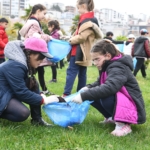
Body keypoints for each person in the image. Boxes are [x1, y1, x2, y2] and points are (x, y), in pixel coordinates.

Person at [72, 39, 146, 136]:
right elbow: (99, 82)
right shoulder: (107, 65)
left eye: (97, 59)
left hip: (133, 106)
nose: (95, 63)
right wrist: (87, 88)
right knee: (92, 93)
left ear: (107, 56)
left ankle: (123, 124)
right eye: (93, 60)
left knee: (105, 95)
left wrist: (83, 96)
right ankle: (111, 117)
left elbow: (110, 87)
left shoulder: (118, 67)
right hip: (124, 102)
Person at [0, 37, 63, 125]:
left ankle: (37, 120)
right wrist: (44, 100)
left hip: (7, 92)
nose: (41, 61)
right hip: (3, 93)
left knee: (33, 83)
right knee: (22, 113)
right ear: (30, 53)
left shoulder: (23, 64)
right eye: (40, 57)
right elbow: (22, 92)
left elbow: (30, 87)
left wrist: (41, 95)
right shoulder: (15, 66)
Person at [62, 0, 103, 97]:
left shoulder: (88, 21)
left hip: (78, 52)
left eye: (78, 7)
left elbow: (81, 37)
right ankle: (80, 95)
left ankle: (66, 94)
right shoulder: (90, 19)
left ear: (83, 6)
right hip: (85, 52)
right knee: (82, 73)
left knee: (71, 72)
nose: (78, 10)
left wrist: (70, 40)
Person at [19, 4, 52, 94]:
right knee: (35, 72)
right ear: (38, 11)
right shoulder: (34, 22)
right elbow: (33, 35)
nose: (44, 16)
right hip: (34, 52)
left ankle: (38, 90)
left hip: (30, 52)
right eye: (44, 13)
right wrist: (47, 37)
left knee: (33, 72)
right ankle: (38, 91)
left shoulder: (30, 21)